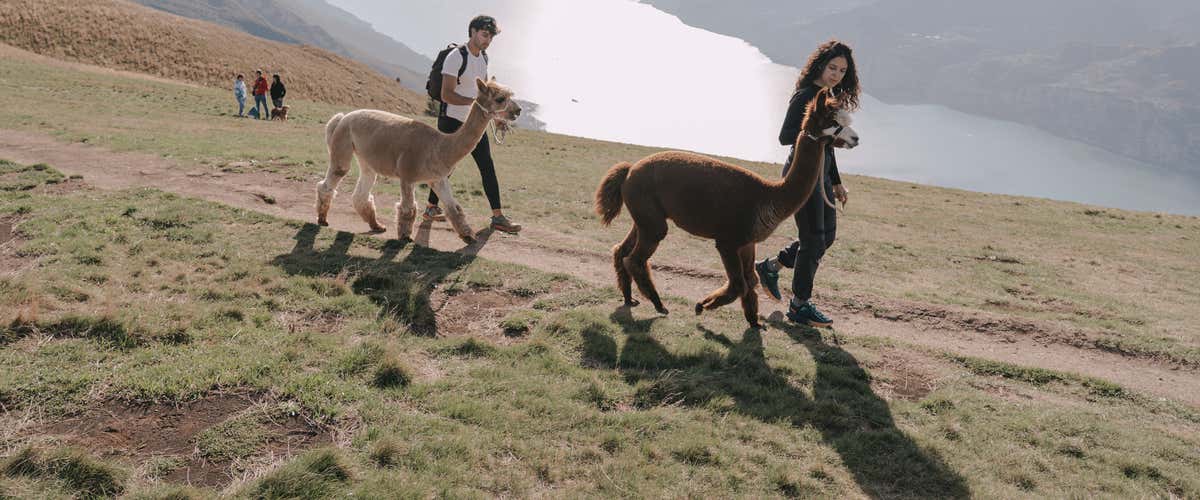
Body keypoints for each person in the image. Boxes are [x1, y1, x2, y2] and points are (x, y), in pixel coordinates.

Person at [755, 39, 861, 327]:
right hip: (802, 175)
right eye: (832, 67)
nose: (836, 74)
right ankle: (800, 305)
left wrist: (836, 182)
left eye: (842, 70)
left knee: (825, 237)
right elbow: (786, 135)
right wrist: (818, 130)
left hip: (822, 174)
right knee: (814, 239)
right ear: (820, 65)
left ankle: (770, 267)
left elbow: (825, 146)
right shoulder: (806, 96)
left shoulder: (827, 95)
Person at [423, 15, 522, 234]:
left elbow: (485, 94)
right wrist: (476, 105)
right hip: (451, 120)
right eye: (484, 35)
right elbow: (446, 94)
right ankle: (431, 208)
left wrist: (496, 116)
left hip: (475, 122)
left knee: (487, 166)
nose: (487, 40)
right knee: (444, 167)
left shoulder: (483, 58)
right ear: (473, 32)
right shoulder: (455, 57)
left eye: (490, 37)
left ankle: (497, 217)